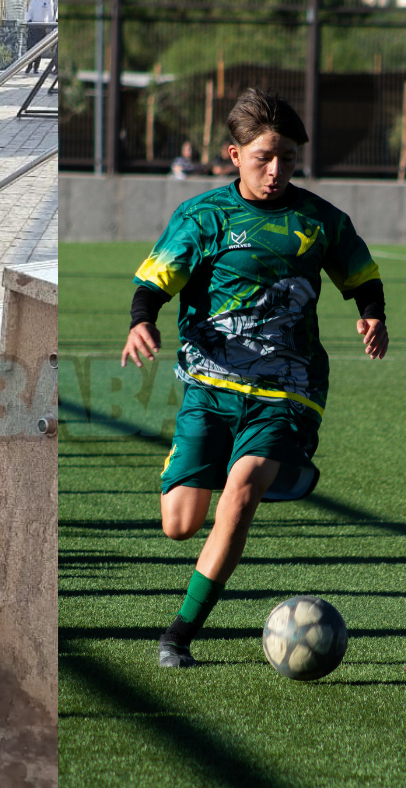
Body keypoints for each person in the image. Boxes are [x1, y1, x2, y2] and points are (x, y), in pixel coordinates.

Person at [119, 88, 389, 669]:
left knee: (241, 493)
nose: (276, 170)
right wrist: (143, 322)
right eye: (265, 156)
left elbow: (363, 275)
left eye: (288, 159)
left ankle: (179, 635)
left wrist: (373, 313)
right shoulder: (203, 217)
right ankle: (211, 461)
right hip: (210, 384)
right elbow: (154, 283)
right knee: (179, 525)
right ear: (233, 155)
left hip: (287, 390)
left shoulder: (319, 220)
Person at [24, 0, 55, 75]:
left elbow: (50, 12)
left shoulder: (49, 1)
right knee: (30, 47)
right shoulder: (34, 1)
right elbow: (30, 9)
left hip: (42, 26)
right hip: (33, 25)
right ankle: (29, 65)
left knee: (40, 47)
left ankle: (36, 67)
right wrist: (28, 20)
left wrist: (50, 24)